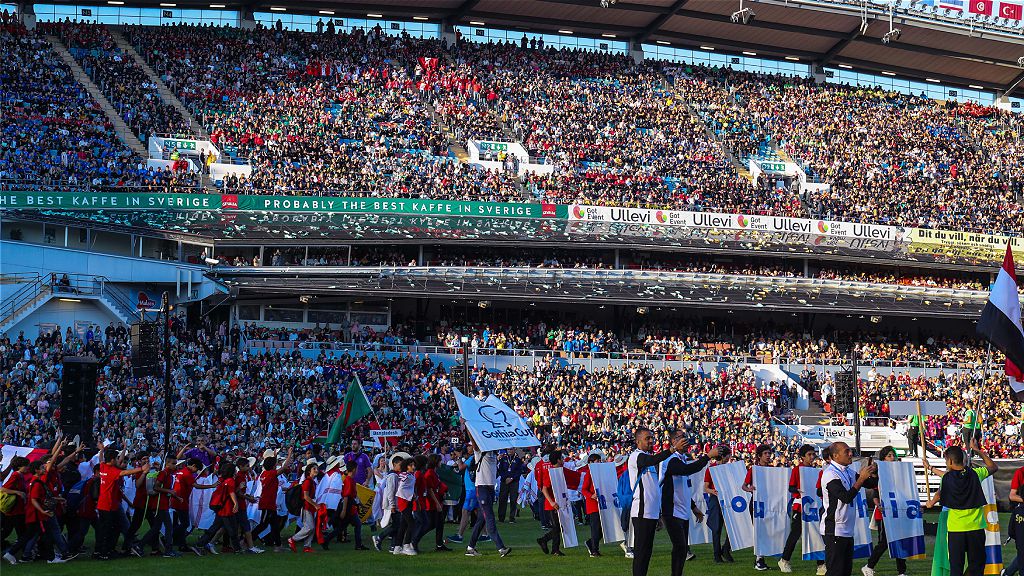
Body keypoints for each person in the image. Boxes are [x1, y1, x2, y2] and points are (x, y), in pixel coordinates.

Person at [924, 439, 998, 576]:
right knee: (977, 567)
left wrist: (930, 503)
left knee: (956, 568)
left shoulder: (947, 479)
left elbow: (940, 493)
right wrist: (977, 450)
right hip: (976, 528)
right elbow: (993, 467)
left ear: (950, 462)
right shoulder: (976, 473)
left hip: (956, 530)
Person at [628, 428, 687, 576]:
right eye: (647, 438)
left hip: (650, 513)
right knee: (641, 553)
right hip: (641, 511)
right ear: (638, 441)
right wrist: (673, 449)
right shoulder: (636, 456)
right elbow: (652, 460)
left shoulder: (648, 459)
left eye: (652, 438)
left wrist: (658, 514)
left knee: (646, 552)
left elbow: (653, 489)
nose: (651, 441)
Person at [661, 431, 717, 576]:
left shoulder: (681, 459)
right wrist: (707, 456)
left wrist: (693, 507)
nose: (685, 440)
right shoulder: (671, 460)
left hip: (682, 510)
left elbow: (684, 488)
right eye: (681, 438)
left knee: (681, 548)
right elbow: (686, 470)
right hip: (672, 511)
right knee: (680, 547)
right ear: (673, 441)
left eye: (685, 437)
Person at [820, 442, 876, 576]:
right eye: (847, 451)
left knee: (845, 571)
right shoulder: (830, 474)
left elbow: (871, 483)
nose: (850, 454)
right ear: (835, 455)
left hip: (847, 529)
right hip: (834, 529)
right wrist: (861, 479)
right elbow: (845, 497)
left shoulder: (848, 471)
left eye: (850, 450)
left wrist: (872, 472)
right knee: (835, 572)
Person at [465, 431, 511, 558]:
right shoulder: (480, 452)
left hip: (489, 489)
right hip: (482, 488)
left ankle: (470, 547)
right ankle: (501, 548)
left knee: (481, 520)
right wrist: (468, 428)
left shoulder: (493, 454)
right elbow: (474, 444)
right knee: (490, 518)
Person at [862, 446, 906, 576]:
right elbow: (875, 493)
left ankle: (902, 572)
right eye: (889, 456)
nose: (893, 458)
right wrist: (878, 505)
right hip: (885, 512)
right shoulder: (880, 474)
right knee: (884, 542)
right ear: (883, 459)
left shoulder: (901, 473)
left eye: (894, 455)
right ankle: (869, 566)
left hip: (899, 511)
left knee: (899, 540)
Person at [780, 444, 824, 574]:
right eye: (809, 455)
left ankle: (821, 565)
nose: (812, 457)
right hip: (800, 507)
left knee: (817, 534)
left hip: (814, 507)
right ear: (802, 457)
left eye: (813, 454)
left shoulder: (816, 470)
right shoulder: (797, 470)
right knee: (795, 535)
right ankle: (784, 560)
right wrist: (798, 490)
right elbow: (791, 487)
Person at [536, 449, 578, 557]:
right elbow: (544, 489)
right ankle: (547, 543)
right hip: (552, 505)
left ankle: (551, 546)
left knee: (559, 526)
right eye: (562, 458)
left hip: (560, 503)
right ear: (558, 460)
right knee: (557, 527)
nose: (563, 460)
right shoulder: (551, 473)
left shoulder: (561, 471)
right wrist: (551, 502)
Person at [743, 444, 774, 571]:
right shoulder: (754, 469)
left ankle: (762, 558)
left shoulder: (773, 469)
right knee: (759, 530)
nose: (768, 455)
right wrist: (750, 489)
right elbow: (744, 486)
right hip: (756, 503)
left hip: (769, 503)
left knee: (767, 530)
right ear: (759, 455)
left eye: (769, 453)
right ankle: (759, 559)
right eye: (765, 453)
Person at [704, 444, 735, 564]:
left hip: (728, 499)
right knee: (716, 528)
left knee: (732, 526)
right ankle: (717, 554)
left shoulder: (730, 469)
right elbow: (706, 487)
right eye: (728, 455)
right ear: (724, 456)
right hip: (715, 500)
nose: (729, 458)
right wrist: (713, 491)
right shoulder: (711, 468)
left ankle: (726, 549)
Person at [286, 462, 319, 554]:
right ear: (309, 471)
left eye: (317, 468)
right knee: (309, 527)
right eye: (314, 469)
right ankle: (293, 539)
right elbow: (306, 496)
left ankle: (307, 546)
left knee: (311, 527)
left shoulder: (311, 482)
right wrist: (315, 505)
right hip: (307, 507)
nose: (316, 470)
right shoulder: (308, 482)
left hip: (310, 507)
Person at [497, 450, 525, 524]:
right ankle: (501, 518)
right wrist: (506, 478)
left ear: (514, 450)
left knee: (513, 499)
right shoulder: (503, 459)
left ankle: (512, 518)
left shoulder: (518, 460)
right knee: (502, 499)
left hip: (514, 482)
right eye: (508, 449)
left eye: (511, 449)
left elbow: (519, 471)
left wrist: (512, 478)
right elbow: (500, 470)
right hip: (504, 481)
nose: (509, 451)